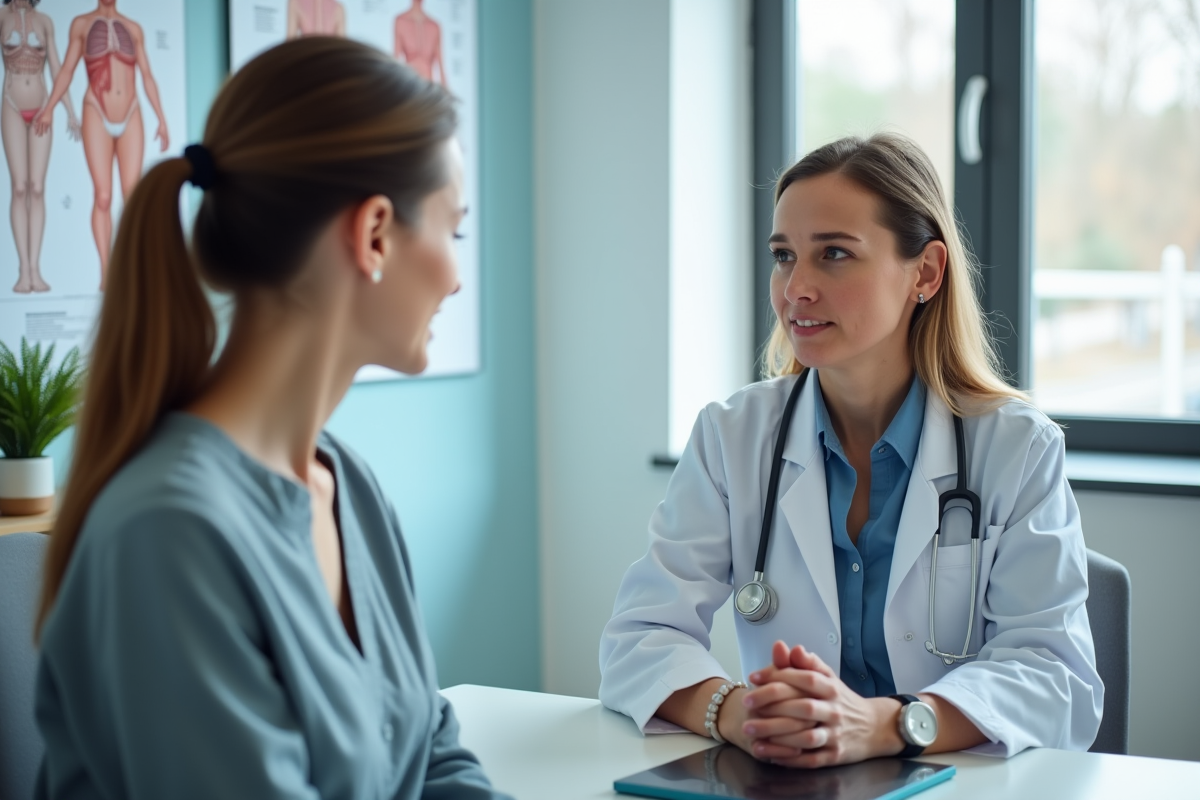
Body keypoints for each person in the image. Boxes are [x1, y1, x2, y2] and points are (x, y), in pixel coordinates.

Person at [34, 37, 510, 800]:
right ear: (376, 234)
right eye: (452, 231)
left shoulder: (347, 485)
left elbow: (432, 758)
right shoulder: (170, 531)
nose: (457, 276)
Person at [599, 133, 1102, 768]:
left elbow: (1056, 675)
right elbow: (640, 634)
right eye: (784, 256)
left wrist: (888, 724)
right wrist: (738, 713)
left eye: (834, 253)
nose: (795, 289)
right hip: (788, 779)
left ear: (925, 272)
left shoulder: (1016, 448)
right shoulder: (733, 435)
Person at [33, 0, 169, 289]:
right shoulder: (81, 25)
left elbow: (147, 75)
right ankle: (107, 272)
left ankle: (133, 267)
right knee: (104, 196)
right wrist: (48, 109)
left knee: (132, 198)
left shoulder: (134, 28)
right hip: (96, 109)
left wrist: (162, 118)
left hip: (131, 112)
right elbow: (67, 71)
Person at [1, 0, 79, 293]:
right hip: (11, 104)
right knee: (19, 187)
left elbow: (58, 67)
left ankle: (35, 269)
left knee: (37, 187)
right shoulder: (1, 17)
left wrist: (70, 111)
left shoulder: (45, 21)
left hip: (43, 105)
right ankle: (23, 271)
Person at [393, 0, 446, 87]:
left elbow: (441, 65)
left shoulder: (434, 26)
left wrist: (446, 97)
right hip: (409, 86)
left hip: (428, 88)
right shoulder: (401, 21)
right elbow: (395, 60)